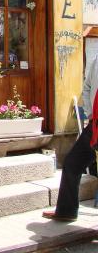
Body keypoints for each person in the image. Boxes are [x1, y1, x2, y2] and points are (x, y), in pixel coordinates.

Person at [42, 55, 98, 222]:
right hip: (95, 124)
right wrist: (90, 113)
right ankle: (66, 211)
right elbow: (87, 87)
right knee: (72, 163)